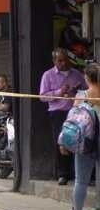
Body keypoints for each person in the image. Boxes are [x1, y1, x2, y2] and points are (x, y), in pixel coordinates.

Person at [40, 48, 87, 185]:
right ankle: (63, 174)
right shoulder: (48, 75)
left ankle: (77, 173)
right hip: (58, 113)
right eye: (60, 60)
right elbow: (42, 97)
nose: (63, 63)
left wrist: (76, 92)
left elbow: (86, 89)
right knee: (62, 142)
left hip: (76, 112)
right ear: (54, 61)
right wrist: (59, 92)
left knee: (79, 141)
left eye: (65, 60)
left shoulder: (76, 74)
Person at [65, 63, 100, 210]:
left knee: (81, 180)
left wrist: (63, 142)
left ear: (87, 78)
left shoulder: (81, 95)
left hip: (85, 140)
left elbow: (72, 120)